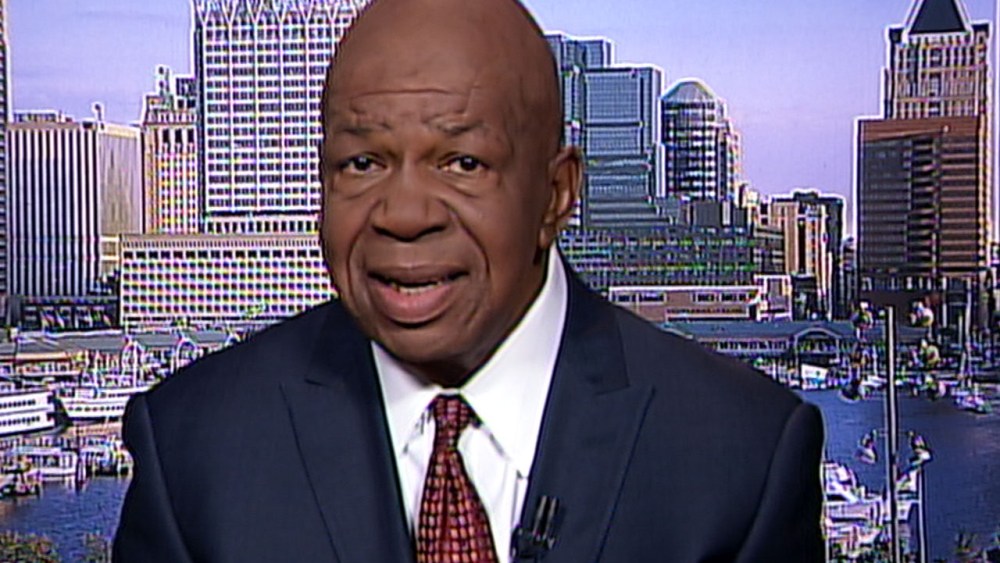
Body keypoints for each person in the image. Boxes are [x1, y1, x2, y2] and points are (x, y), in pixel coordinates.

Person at [113, 0, 825, 561]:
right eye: (362, 164)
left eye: (463, 163)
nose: (405, 214)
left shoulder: (743, 454)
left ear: (556, 194)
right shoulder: (192, 449)